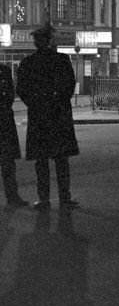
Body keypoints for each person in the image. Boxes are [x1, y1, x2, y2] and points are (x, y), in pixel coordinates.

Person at [16, 24, 79, 210]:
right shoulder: (61, 60)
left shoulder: (28, 62)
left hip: (40, 116)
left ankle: (44, 199)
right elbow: (69, 85)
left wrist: (35, 104)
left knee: (42, 161)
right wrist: (58, 102)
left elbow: (22, 90)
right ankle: (64, 198)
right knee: (60, 160)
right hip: (58, 115)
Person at [1, 61, 28, 207]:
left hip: (4, 119)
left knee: (8, 162)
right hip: (4, 118)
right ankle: (12, 197)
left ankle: (12, 196)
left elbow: (11, 93)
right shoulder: (4, 71)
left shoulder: (4, 70)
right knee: (7, 162)